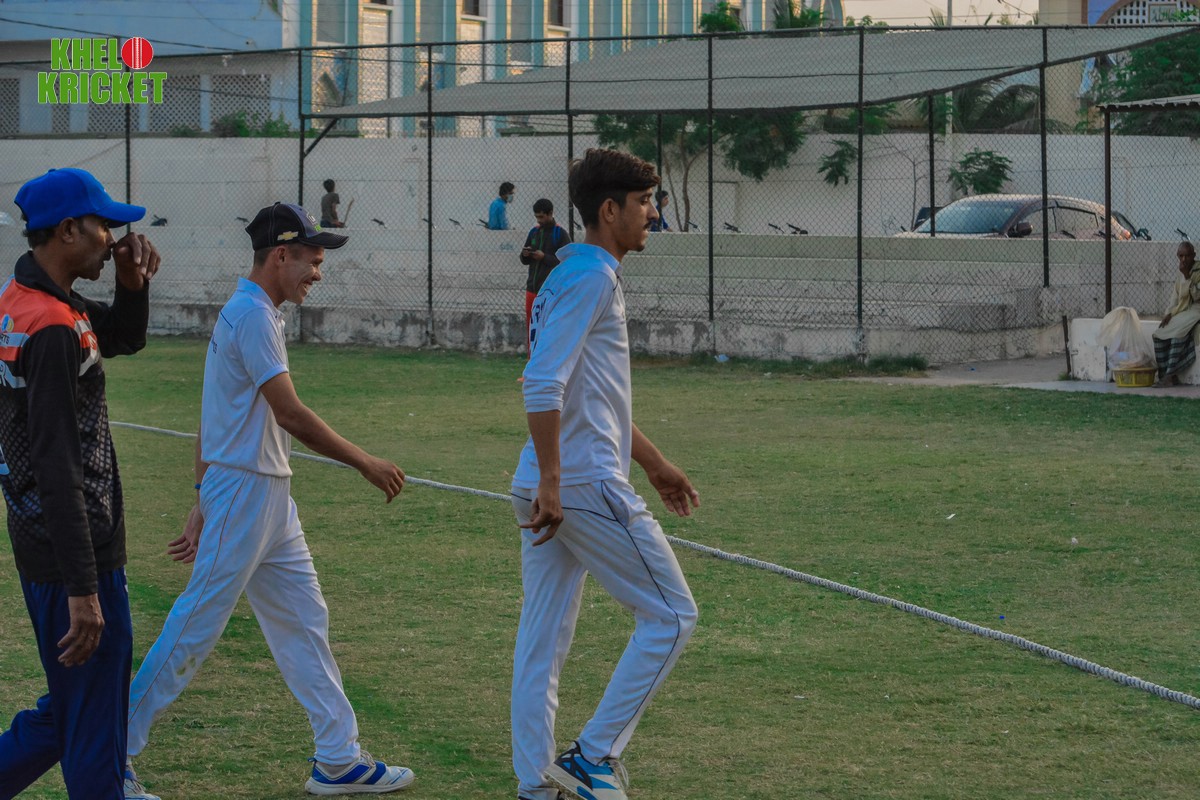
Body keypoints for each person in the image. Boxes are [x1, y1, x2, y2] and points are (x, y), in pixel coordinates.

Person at [123, 203, 412, 798]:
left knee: (304, 622)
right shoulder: (252, 315)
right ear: (281, 255)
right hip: (246, 491)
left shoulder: (256, 313)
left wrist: (201, 496)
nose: (318, 273)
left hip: (264, 493)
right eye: (313, 260)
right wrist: (365, 462)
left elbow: (213, 414)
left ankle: (338, 758)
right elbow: (291, 414)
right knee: (196, 625)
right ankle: (110, 754)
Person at [510, 149, 700, 800]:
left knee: (541, 644)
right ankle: (592, 758)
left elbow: (590, 395)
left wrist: (654, 463)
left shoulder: (570, 273)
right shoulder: (590, 277)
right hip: (579, 485)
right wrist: (555, 481)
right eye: (644, 203)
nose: (653, 214)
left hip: (553, 481)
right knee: (672, 616)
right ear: (609, 210)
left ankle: (536, 788)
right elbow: (542, 383)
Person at [0, 167, 161, 800]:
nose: (113, 238)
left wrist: (131, 285)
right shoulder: (51, 328)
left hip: (46, 544)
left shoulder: (34, 300)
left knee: (76, 706)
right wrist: (83, 589)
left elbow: (121, 337)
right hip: (73, 552)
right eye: (103, 226)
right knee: (93, 727)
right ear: (68, 230)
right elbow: (57, 464)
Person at [519, 198, 571, 345]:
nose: (539, 220)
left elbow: (567, 263)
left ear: (550, 213)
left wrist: (544, 257)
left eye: (541, 217)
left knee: (549, 330)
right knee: (532, 330)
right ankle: (532, 358)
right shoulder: (534, 232)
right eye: (537, 217)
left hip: (551, 292)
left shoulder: (560, 234)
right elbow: (524, 260)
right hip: (532, 290)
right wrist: (525, 255)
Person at [1152, 240, 1200, 386]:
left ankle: (1170, 374)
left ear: (1194, 255)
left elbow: (1197, 296)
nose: (1184, 259)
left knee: (1177, 334)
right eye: (1181, 256)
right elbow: (1175, 297)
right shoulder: (1180, 273)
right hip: (1182, 310)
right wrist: (1168, 313)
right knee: (1158, 334)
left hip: (1196, 309)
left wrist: (1187, 276)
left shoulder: (1197, 271)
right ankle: (1166, 375)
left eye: (1187, 256)